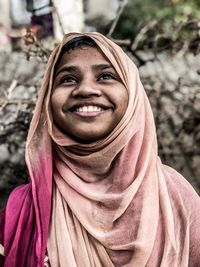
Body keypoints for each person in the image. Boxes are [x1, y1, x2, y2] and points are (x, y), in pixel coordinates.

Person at [0, 32, 200, 267]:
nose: (85, 89)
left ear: (133, 95)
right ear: (48, 98)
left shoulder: (174, 197)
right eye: (68, 79)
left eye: (106, 76)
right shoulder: (23, 212)